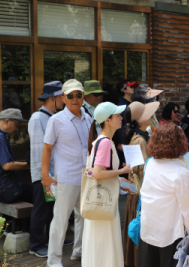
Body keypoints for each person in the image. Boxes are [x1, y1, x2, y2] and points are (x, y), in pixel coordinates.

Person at [42, 79, 93, 266]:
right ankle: (53, 261)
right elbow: (47, 148)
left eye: (78, 95)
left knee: (83, 216)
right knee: (60, 221)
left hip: (87, 177)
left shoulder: (88, 118)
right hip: (66, 178)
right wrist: (46, 176)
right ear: (63, 98)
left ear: (83, 97)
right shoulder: (56, 120)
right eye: (70, 95)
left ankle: (78, 252)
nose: (75, 99)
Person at [82, 102, 133, 267]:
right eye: (117, 116)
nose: (121, 118)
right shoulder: (104, 142)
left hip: (99, 201)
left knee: (99, 244)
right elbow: (97, 173)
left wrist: (118, 179)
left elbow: (97, 173)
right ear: (107, 120)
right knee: (105, 244)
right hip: (104, 202)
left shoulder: (101, 141)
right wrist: (121, 171)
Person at [139, 124, 189, 267]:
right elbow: (187, 210)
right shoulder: (180, 173)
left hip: (148, 228)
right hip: (171, 233)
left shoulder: (150, 164)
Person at [28, 82, 64, 258]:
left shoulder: (53, 117)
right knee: (41, 209)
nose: (64, 100)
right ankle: (35, 244)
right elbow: (37, 151)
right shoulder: (37, 118)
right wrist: (45, 175)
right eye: (61, 96)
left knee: (52, 209)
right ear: (52, 98)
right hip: (43, 174)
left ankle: (51, 240)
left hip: (54, 173)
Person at [121, 101, 160, 267]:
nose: (152, 118)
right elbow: (142, 171)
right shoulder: (140, 140)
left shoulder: (141, 137)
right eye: (149, 115)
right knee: (140, 237)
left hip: (138, 194)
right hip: (140, 197)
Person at [0, 109, 31, 203]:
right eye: (16, 125)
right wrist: (28, 164)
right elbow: (7, 165)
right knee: (36, 191)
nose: (17, 129)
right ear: (7, 121)